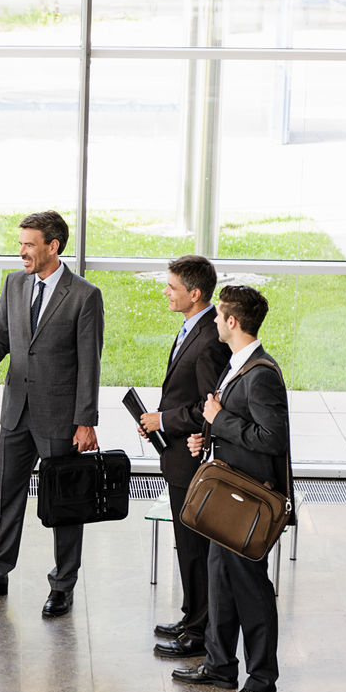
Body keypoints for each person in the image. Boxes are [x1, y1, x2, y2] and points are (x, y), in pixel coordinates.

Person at [0, 210, 104, 618]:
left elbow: (90, 363)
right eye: (20, 242)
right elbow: (0, 338)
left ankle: (63, 585)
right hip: (16, 412)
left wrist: (85, 420)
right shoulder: (14, 284)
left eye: (29, 244)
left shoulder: (84, 296)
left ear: (53, 246)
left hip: (60, 417)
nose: (21, 251)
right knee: (6, 497)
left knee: (65, 503)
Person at [172, 284, 291, 692]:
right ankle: (220, 665)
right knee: (220, 579)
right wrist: (208, 434)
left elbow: (271, 438)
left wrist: (220, 419)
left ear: (233, 322)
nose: (215, 322)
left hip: (247, 505)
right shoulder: (237, 366)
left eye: (219, 316)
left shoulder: (260, 374)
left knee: (250, 590)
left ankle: (262, 683)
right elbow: (231, 422)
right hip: (229, 497)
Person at [138, 255, 230, 658]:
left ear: (195, 294)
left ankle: (199, 631)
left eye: (172, 287)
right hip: (177, 454)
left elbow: (208, 406)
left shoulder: (210, 339)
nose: (165, 292)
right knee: (186, 544)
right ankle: (191, 616)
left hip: (192, 460)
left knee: (193, 547)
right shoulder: (193, 327)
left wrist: (164, 420)